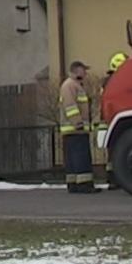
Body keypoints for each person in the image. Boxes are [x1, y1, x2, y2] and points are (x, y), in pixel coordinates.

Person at [58, 61, 98, 193]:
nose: (85, 73)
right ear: (76, 71)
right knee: (81, 156)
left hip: (72, 129)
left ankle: (73, 184)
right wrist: (78, 123)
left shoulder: (74, 85)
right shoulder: (70, 85)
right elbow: (70, 106)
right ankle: (84, 184)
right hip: (75, 129)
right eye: (83, 70)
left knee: (73, 158)